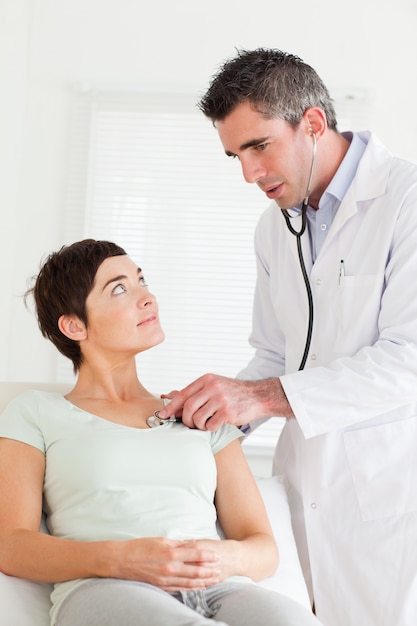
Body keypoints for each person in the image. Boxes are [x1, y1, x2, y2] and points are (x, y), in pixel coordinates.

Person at [157, 48, 417, 626]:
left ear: (314, 123)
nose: (250, 173)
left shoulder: (406, 199)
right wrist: (217, 409)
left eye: (259, 146)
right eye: (235, 156)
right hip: (304, 492)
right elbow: (277, 355)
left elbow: (410, 360)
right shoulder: (275, 227)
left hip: (392, 491)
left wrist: (265, 397)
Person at [0, 239, 321, 626]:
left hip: (221, 587)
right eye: (119, 288)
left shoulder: (197, 412)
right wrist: (125, 560)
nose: (147, 297)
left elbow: (263, 547)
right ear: (74, 325)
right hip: (106, 588)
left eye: (142, 280)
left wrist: (218, 559)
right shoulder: (36, 413)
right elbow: (12, 545)